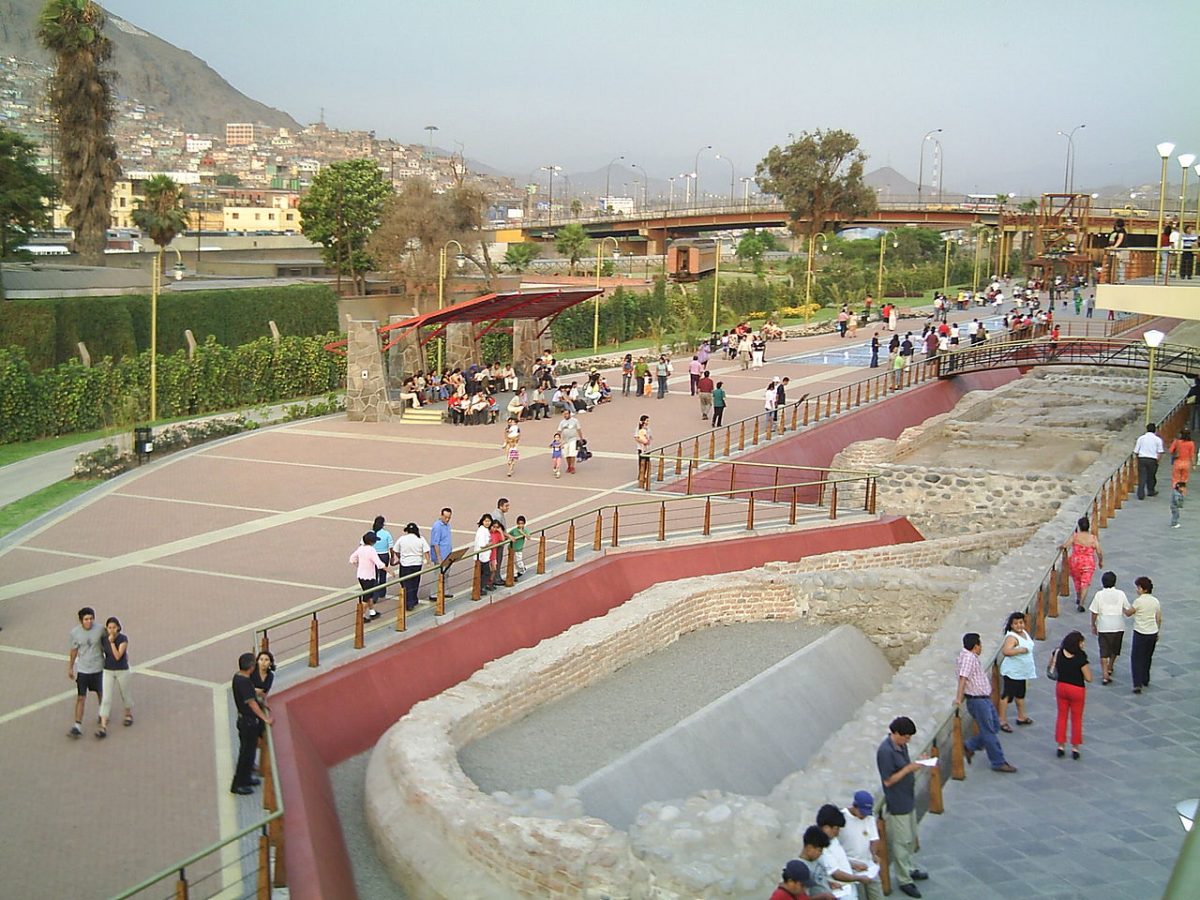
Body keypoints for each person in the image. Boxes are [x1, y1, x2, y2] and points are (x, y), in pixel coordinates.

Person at [876, 716, 929, 898]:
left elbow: (905, 767)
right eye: (906, 737)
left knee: (911, 837)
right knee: (901, 841)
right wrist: (909, 769)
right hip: (897, 802)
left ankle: (909, 868)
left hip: (908, 797)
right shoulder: (885, 752)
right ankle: (904, 879)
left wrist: (917, 764)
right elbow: (889, 780)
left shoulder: (901, 745)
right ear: (896, 733)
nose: (908, 740)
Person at [955, 632, 1017, 773]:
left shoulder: (969, 657)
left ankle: (970, 745)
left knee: (994, 726)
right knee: (989, 731)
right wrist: (958, 698)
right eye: (980, 644)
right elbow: (963, 678)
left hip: (983, 698)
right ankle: (998, 761)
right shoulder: (968, 659)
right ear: (976, 646)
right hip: (977, 701)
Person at [230, 652, 272, 795]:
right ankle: (238, 784)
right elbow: (252, 704)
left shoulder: (238, 677)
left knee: (250, 752)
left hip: (245, 721)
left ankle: (246, 778)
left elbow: (251, 696)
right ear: (251, 667)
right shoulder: (245, 682)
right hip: (248, 723)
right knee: (246, 754)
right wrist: (265, 718)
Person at [815, 805, 873, 899]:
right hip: (841, 894)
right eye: (836, 829)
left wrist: (853, 864)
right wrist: (859, 878)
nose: (838, 832)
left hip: (850, 891)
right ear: (826, 827)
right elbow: (836, 873)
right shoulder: (821, 848)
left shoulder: (833, 839)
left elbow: (839, 859)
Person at [1052, 630, 1092, 760]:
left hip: (1061, 687)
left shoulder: (1058, 652)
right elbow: (1089, 678)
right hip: (1076, 690)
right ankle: (1075, 747)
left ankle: (1060, 745)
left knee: (1062, 716)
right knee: (1076, 719)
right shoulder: (1080, 657)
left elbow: (1051, 666)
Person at [67, 606, 104, 738]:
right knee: (81, 697)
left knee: (100, 692)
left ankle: (102, 713)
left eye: (91, 619)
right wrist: (71, 667)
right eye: (86, 619)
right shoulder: (75, 633)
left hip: (98, 667)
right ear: (81, 620)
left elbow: (107, 645)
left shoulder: (100, 630)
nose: (89, 622)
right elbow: (73, 651)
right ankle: (77, 725)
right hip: (83, 669)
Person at [839, 791, 884, 900]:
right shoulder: (842, 818)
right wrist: (852, 864)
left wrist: (873, 854)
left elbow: (874, 839)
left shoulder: (869, 817)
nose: (864, 816)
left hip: (868, 866)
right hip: (851, 868)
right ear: (855, 806)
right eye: (862, 813)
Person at [94, 616, 132, 738]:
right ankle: (103, 726)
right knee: (106, 698)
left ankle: (128, 714)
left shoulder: (123, 639)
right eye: (109, 627)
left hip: (122, 670)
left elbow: (117, 656)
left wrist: (111, 643)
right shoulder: (103, 639)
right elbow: (101, 651)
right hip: (108, 670)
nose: (112, 630)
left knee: (125, 694)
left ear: (118, 628)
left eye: (114, 627)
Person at [997, 611, 1036, 731]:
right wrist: (1020, 650)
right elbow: (1006, 651)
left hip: (1022, 671)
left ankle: (1021, 716)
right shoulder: (1011, 637)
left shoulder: (1023, 633)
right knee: (1007, 696)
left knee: (1020, 694)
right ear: (1012, 625)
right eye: (1016, 623)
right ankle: (1002, 720)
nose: (1019, 625)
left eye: (1021, 622)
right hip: (1012, 672)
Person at [1089, 570, 1128, 685]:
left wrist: (1093, 624)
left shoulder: (1099, 595)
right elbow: (1127, 608)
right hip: (1118, 625)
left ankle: (1105, 674)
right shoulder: (1121, 594)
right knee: (1115, 649)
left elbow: (1094, 612)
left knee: (1104, 650)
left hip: (1104, 626)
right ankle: (1110, 666)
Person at [1124, 575, 1162, 694]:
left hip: (1140, 632)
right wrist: (1157, 631)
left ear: (1144, 589)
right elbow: (1159, 618)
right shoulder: (1155, 601)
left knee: (1136, 658)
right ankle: (1145, 678)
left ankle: (1137, 683)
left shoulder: (1139, 601)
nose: (1137, 589)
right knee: (1147, 657)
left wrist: (1123, 608)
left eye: (1138, 588)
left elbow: (1129, 613)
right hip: (1152, 632)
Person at [1064, 515, 1103, 612]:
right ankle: (1081, 603)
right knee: (1085, 583)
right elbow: (1099, 551)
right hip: (1088, 563)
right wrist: (1100, 561)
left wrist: (1061, 547)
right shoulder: (1093, 538)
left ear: (1079, 527)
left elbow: (1066, 545)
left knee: (1077, 580)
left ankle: (1078, 596)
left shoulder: (1075, 536)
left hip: (1075, 561)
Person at [350, 531, 387, 620]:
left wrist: (358, 565)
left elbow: (352, 559)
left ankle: (372, 611)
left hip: (360, 575)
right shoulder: (371, 550)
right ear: (372, 542)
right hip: (369, 576)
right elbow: (379, 563)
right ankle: (360, 616)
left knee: (369, 594)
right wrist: (389, 571)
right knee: (366, 598)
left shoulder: (360, 548)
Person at [395, 523, 430, 611]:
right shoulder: (420, 539)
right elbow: (426, 551)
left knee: (406, 583)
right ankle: (413, 598)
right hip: (417, 563)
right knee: (415, 581)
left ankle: (409, 601)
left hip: (405, 564)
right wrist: (428, 561)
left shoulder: (402, 539)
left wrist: (400, 557)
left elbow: (396, 550)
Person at [429, 508, 455, 601]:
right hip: (441, 555)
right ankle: (434, 593)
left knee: (446, 573)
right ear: (441, 515)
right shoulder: (437, 526)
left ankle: (445, 591)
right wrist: (439, 557)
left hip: (447, 553)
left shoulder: (447, 525)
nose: (447, 519)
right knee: (438, 574)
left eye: (449, 517)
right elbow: (435, 543)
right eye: (445, 517)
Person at [1134, 423, 1165, 499]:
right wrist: (1158, 461)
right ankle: (1150, 491)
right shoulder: (1158, 439)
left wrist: (1137, 459)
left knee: (1142, 477)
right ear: (1155, 430)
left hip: (1142, 458)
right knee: (1151, 476)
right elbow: (1160, 452)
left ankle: (1140, 494)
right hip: (1152, 459)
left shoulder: (1141, 438)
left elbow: (1136, 451)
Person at [370, 515, 393, 606]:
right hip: (384, 555)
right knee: (383, 574)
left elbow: (362, 544)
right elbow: (391, 546)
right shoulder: (386, 533)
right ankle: (382, 592)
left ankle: (374, 595)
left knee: (374, 575)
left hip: (373, 555)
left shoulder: (371, 533)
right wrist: (392, 556)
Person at [472, 514, 495, 593]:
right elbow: (482, 545)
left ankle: (481, 587)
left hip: (483, 556)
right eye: (486, 521)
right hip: (482, 556)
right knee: (485, 573)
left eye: (489, 521)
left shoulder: (484, 530)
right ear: (482, 521)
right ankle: (481, 588)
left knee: (483, 573)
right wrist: (490, 544)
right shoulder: (482, 531)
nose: (487, 523)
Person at [491, 499, 511, 587]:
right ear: (501, 506)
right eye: (506, 506)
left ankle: (496, 577)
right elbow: (499, 529)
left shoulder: (499, 514)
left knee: (498, 560)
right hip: (498, 541)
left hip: (499, 540)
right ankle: (495, 578)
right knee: (497, 560)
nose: (508, 508)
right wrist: (509, 536)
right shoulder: (497, 516)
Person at [558, 409, 583, 475]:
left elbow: (578, 429)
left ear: (569, 414)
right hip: (565, 440)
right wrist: (557, 440)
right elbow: (559, 431)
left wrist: (581, 438)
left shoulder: (575, 421)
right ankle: (569, 466)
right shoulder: (562, 422)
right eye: (564, 414)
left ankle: (572, 466)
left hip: (573, 439)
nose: (565, 415)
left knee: (572, 453)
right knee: (566, 454)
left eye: (566, 414)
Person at [634, 415, 652, 487]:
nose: (648, 422)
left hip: (647, 448)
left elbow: (650, 437)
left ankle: (645, 475)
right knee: (641, 462)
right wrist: (643, 441)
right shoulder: (638, 429)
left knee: (647, 462)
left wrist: (648, 441)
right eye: (647, 420)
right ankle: (641, 476)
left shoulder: (648, 429)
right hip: (641, 448)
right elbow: (636, 438)